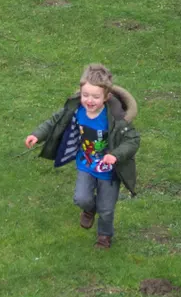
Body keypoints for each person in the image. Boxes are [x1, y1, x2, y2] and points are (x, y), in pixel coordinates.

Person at [23, 63, 140, 248]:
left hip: (109, 171)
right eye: (85, 95)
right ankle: (89, 209)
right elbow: (54, 121)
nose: (89, 100)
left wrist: (116, 155)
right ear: (80, 92)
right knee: (81, 198)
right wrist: (37, 135)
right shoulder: (76, 109)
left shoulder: (117, 118)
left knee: (107, 209)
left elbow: (133, 141)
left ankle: (104, 236)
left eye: (95, 96)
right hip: (86, 165)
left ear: (106, 97)